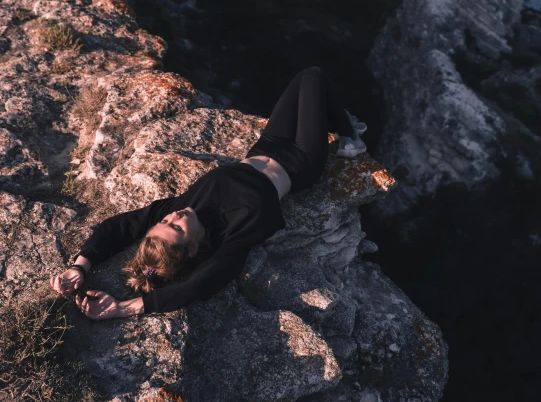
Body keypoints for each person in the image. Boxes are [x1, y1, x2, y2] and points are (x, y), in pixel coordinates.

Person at [50, 66, 368, 320]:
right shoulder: (233, 240)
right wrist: (122, 308)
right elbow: (198, 287)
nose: (173, 216)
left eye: (165, 222)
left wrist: (79, 266)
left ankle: (339, 120)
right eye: (176, 227)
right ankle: (350, 136)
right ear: (191, 249)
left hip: (267, 145)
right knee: (312, 77)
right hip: (301, 161)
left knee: (301, 80)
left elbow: (115, 228)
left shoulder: (180, 208)